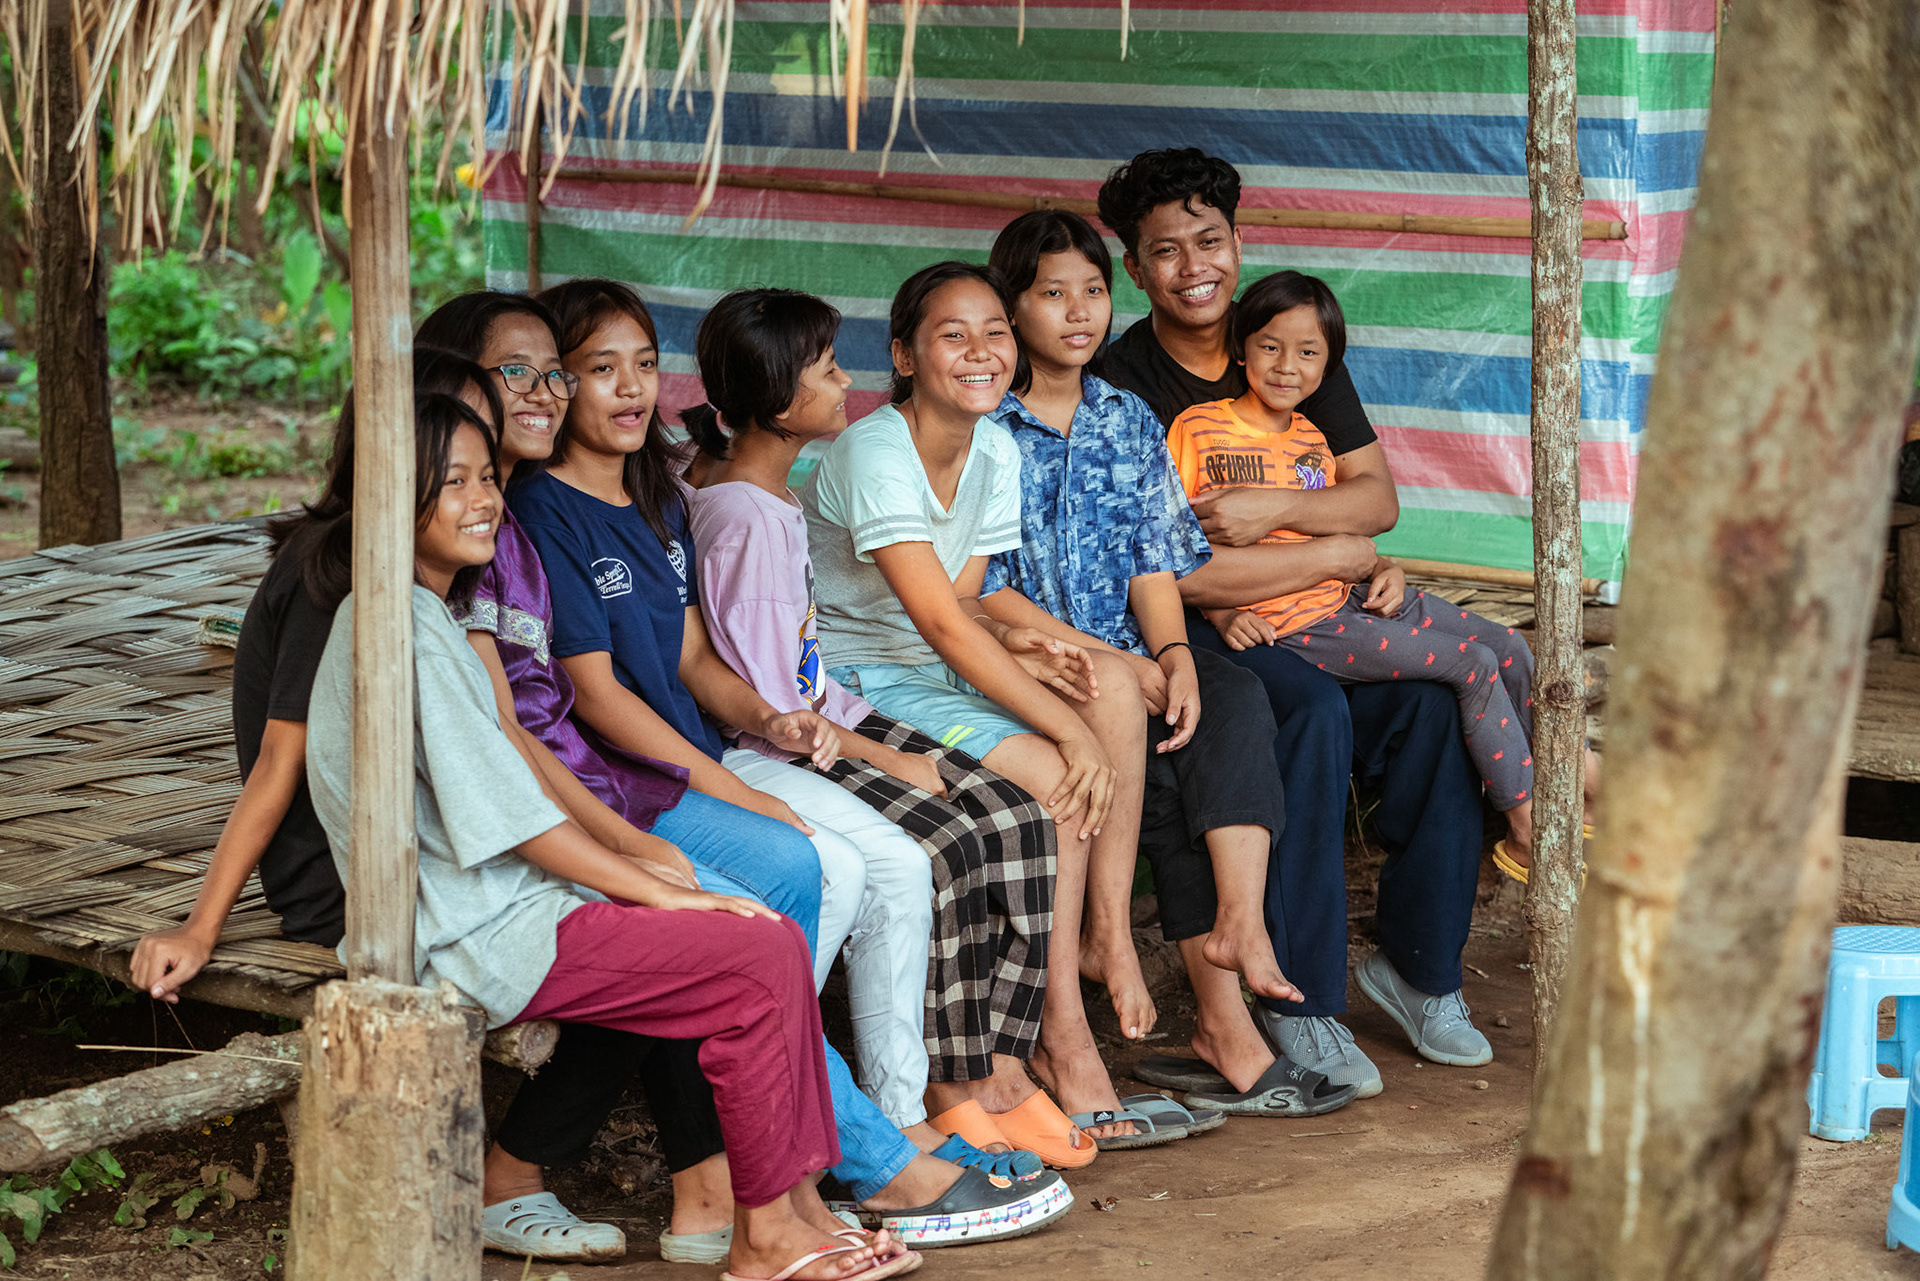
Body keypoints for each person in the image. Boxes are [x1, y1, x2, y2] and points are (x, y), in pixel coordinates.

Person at [417, 290, 1068, 1253]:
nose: (609, 388)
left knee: (785, 883)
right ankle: (841, 1162)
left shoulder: (646, 498)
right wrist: (728, 792)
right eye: (583, 368)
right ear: (458, 391)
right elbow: (570, 712)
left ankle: (746, 1175)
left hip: (645, 779)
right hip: (601, 793)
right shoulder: (521, 519)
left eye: (634, 362)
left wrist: (768, 722)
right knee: (758, 910)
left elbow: (688, 659)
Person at [302, 391, 920, 1281]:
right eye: (455, 483)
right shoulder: (398, 627)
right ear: (393, 496)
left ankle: (794, 1207)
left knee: (768, 934)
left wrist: (663, 882)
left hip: (511, 907)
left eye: (487, 478)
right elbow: (514, 824)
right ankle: (762, 1236)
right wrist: (659, 886)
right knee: (747, 952)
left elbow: (519, 796)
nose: (485, 499)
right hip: (464, 930)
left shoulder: (429, 614)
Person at [1098, 147, 1492, 1088]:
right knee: (1305, 712)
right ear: (1134, 268)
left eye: (1210, 240)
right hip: (1199, 627)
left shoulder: (1284, 333)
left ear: (1239, 241)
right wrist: (1333, 552)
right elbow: (1146, 569)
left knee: (1435, 704)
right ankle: (1303, 1002)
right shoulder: (1125, 382)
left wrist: (1326, 546)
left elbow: (1374, 499)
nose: (1195, 267)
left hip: (1314, 604)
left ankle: (1417, 970)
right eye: (1165, 251)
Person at [973, 209, 1357, 1121]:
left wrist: (1178, 653)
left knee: (1230, 705)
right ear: (1013, 308)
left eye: (1093, 291)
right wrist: (1120, 661)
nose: (1078, 312)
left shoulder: (1127, 415)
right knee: (1163, 766)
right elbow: (978, 586)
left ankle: (1240, 930)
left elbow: (1156, 560)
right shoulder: (988, 423)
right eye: (1051, 293)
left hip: (1137, 641)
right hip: (1033, 654)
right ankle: (1212, 1011)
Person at [680, 286, 1065, 1148]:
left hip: (831, 710)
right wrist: (890, 758)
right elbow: (772, 702)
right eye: (823, 368)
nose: (841, 380)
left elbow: (803, 676)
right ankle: (945, 1082)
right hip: (787, 740)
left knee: (1020, 819)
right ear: (778, 398)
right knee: (950, 840)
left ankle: (999, 1059)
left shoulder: (766, 496)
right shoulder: (743, 514)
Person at [801, 260, 1145, 1159]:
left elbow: (960, 595)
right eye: (954, 334)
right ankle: (1040, 1041)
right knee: (1061, 779)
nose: (983, 351)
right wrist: (1067, 730)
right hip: (858, 676)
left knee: (1098, 687)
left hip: (925, 661)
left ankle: (1029, 1032)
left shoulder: (992, 444)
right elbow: (942, 627)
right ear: (906, 356)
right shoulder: (878, 450)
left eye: (995, 330)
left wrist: (1029, 645)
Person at [1170, 270, 1600, 880]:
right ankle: (1526, 827)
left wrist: (1383, 565)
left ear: (1329, 367)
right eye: (1270, 345)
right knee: (1470, 665)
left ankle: (1581, 781)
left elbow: (1338, 533)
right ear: (1241, 348)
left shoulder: (1316, 443)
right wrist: (1222, 611)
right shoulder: (1197, 429)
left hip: (1349, 599)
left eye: (1309, 352)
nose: (1287, 365)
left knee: (1505, 644)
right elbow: (1183, 543)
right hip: (1301, 623)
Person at [127, 351, 502, 1002]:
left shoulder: (422, 559)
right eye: (448, 460)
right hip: (347, 884)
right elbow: (279, 759)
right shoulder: (335, 567)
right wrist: (199, 928)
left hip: (411, 849)